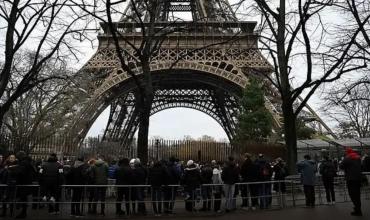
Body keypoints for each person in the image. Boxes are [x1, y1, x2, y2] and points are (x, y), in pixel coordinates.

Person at [340, 148, 363, 216]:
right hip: (358, 178)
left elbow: (341, 166)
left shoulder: (348, 158)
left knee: (352, 194)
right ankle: (358, 209)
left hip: (350, 179)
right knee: (357, 194)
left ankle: (357, 210)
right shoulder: (358, 157)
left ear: (347, 152)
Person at [15, 151, 36, 219]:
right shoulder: (28, 162)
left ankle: (23, 212)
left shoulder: (23, 163)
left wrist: (14, 171)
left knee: (23, 198)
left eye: (17, 157)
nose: (17, 158)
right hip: (27, 182)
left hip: (23, 183)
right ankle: (23, 211)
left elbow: (21, 173)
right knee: (24, 198)